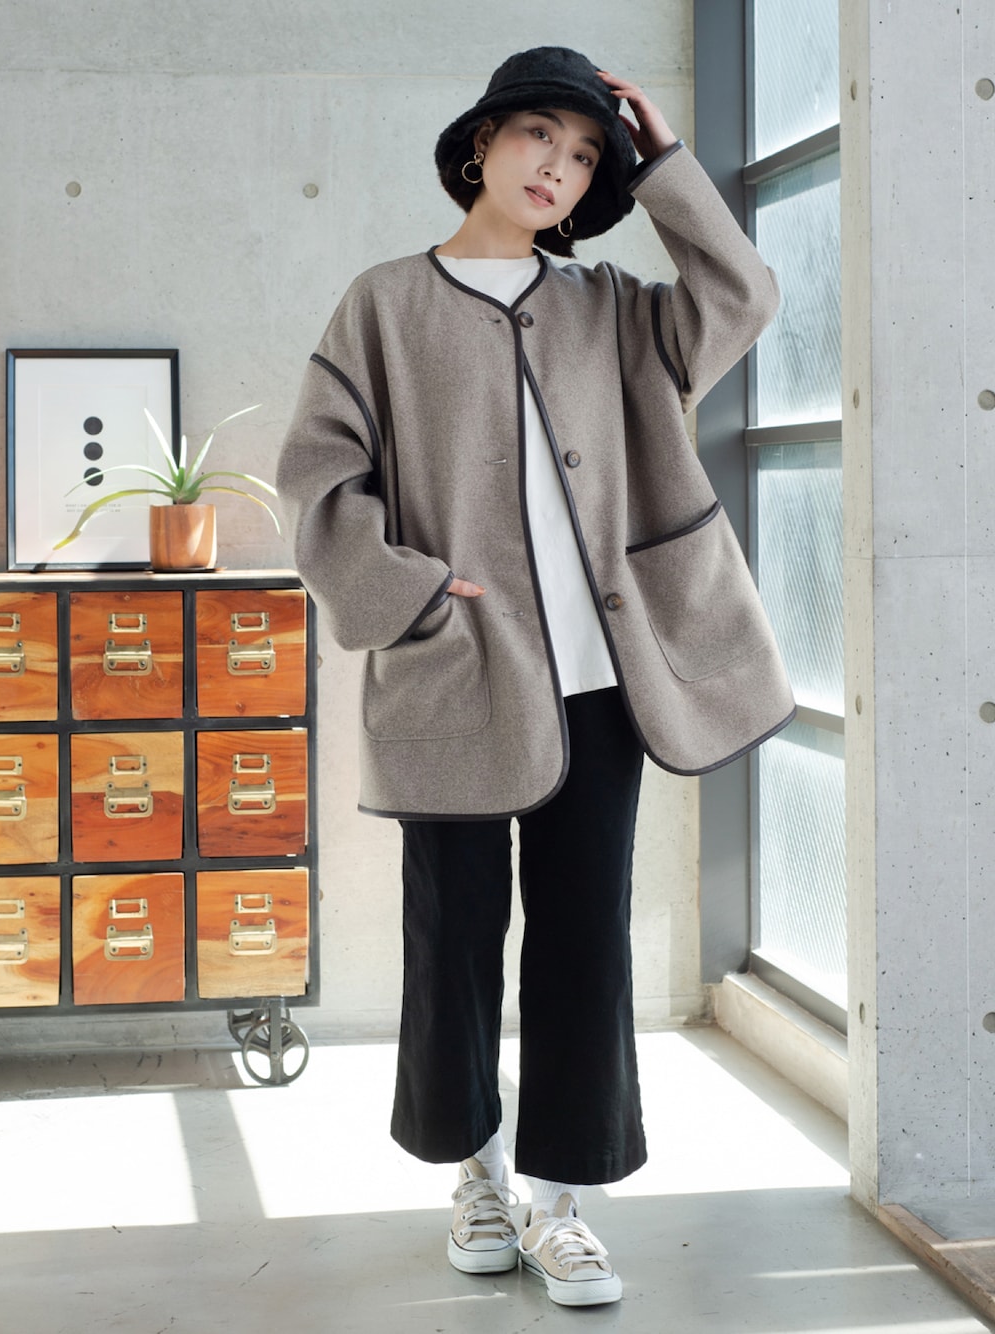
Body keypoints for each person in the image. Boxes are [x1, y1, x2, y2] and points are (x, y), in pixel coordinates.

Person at [277, 46, 794, 1308]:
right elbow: (318, 479)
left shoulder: (614, 308)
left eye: (583, 153)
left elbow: (741, 294)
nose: (557, 166)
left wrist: (664, 163)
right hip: (453, 673)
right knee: (452, 933)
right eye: (538, 138)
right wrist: (409, 591)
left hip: (601, 681)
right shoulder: (384, 305)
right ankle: (476, 1173)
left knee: (584, 937)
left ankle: (561, 1201)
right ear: (482, 144)